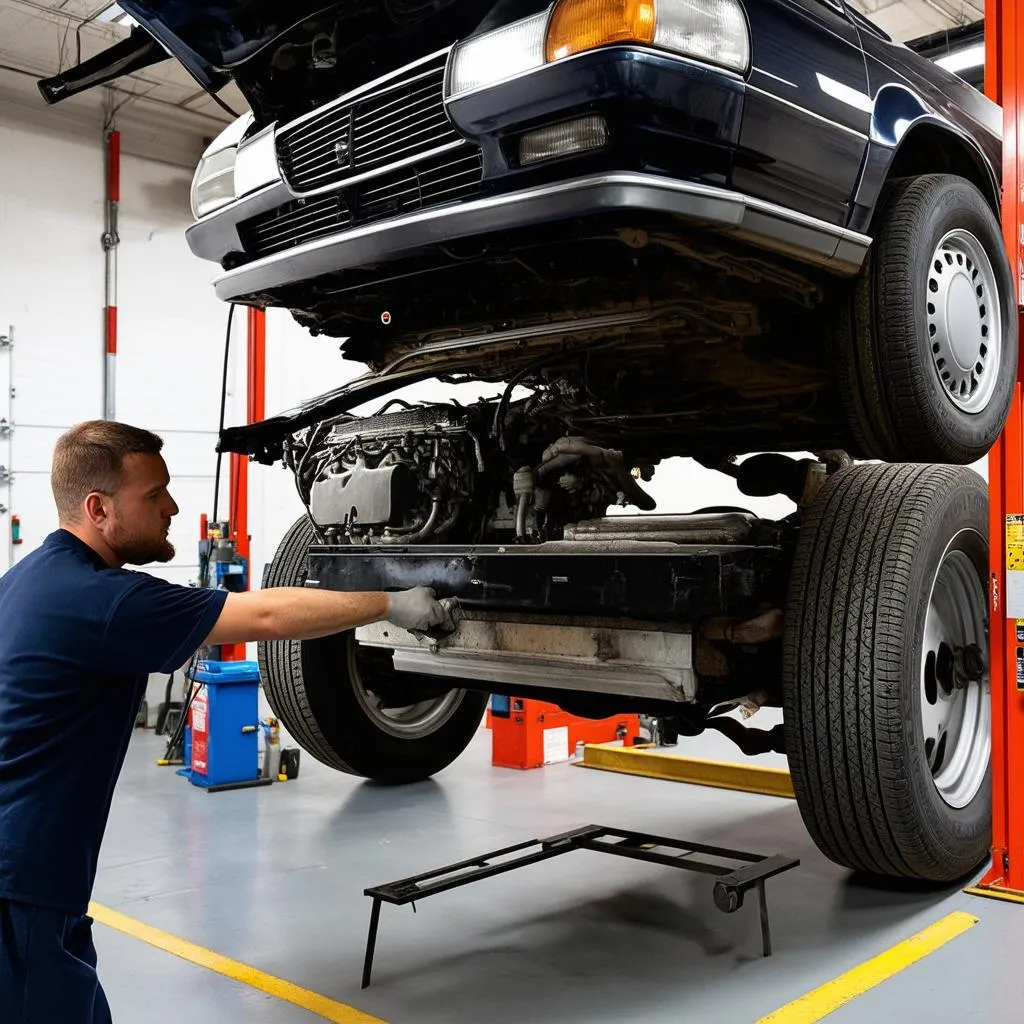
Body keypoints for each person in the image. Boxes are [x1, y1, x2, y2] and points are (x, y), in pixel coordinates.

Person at [0, 420, 459, 1022]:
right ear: (98, 509)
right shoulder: (103, 602)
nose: (173, 505)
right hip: (21, 887)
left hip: (38, 879)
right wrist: (396, 603)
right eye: (153, 495)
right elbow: (265, 614)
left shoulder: (27, 580)